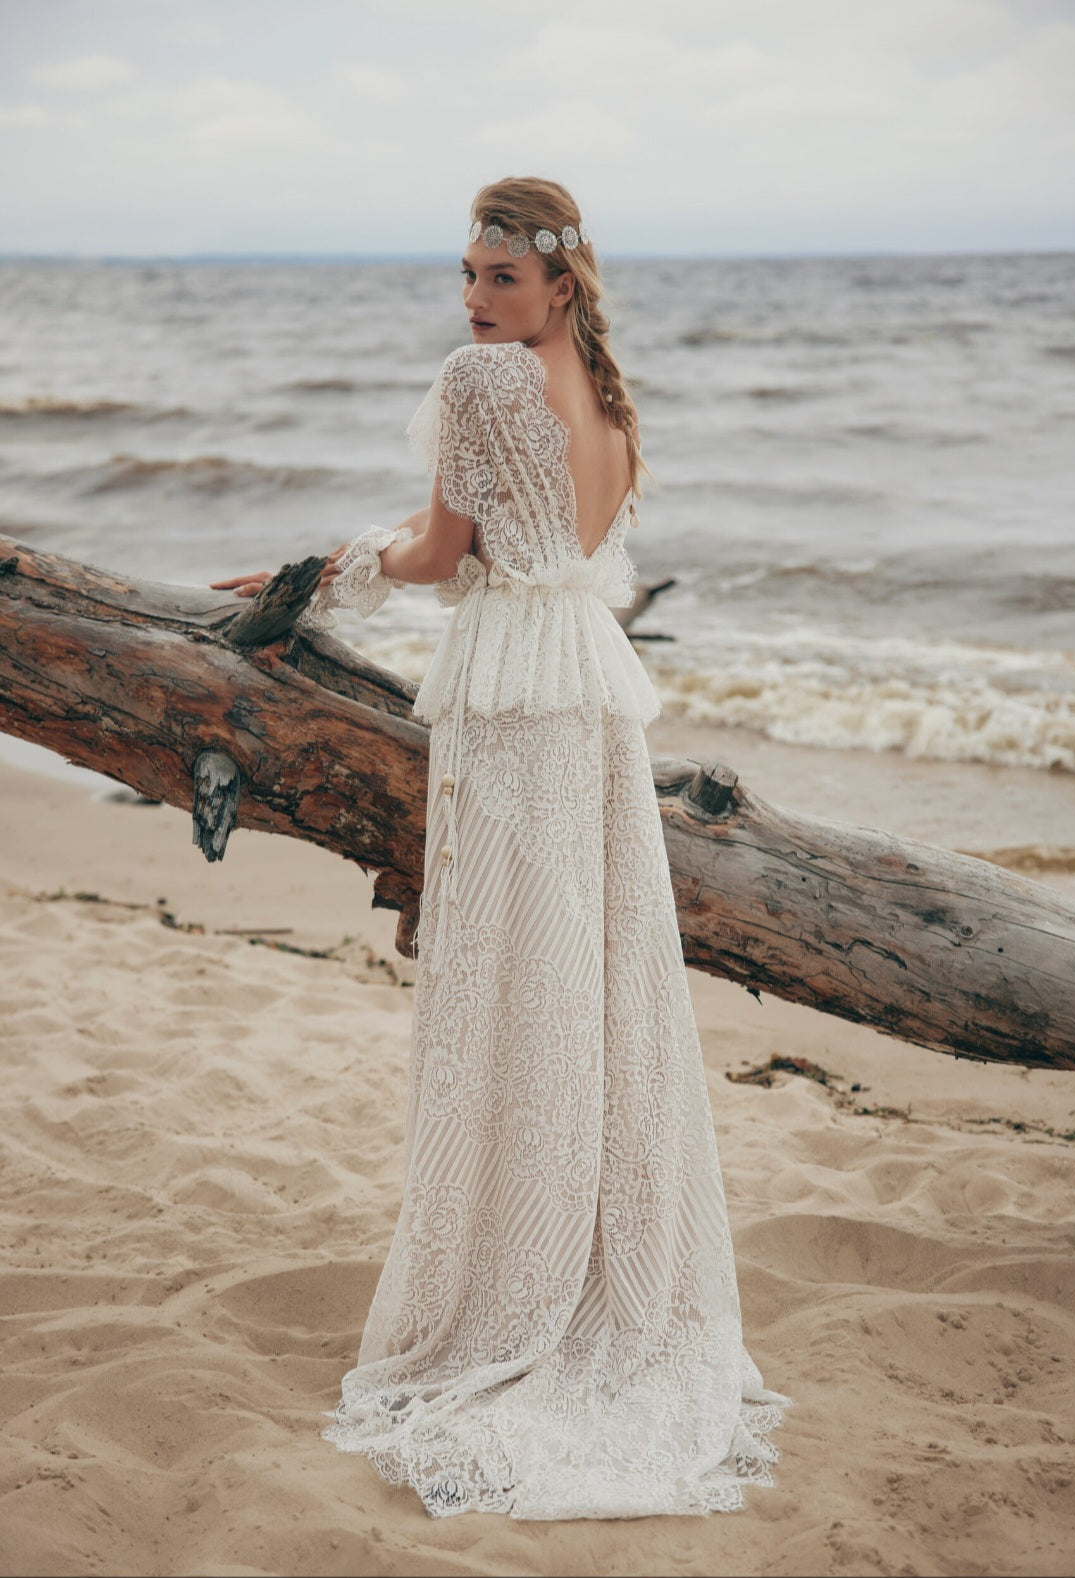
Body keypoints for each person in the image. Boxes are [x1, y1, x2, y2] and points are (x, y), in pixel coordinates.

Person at [211, 176, 791, 1521]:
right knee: (585, 979)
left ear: (559, 284)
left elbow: (437, 554)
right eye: (467, 276)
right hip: (587, 697)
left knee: (508, 983)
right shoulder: (608, 401)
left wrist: (322, 565)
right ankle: (584, 1268)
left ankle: (507, 1291)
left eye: (500, 279)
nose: (475, 302)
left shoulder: (481, 387)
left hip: (516, 705)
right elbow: (583, 563)